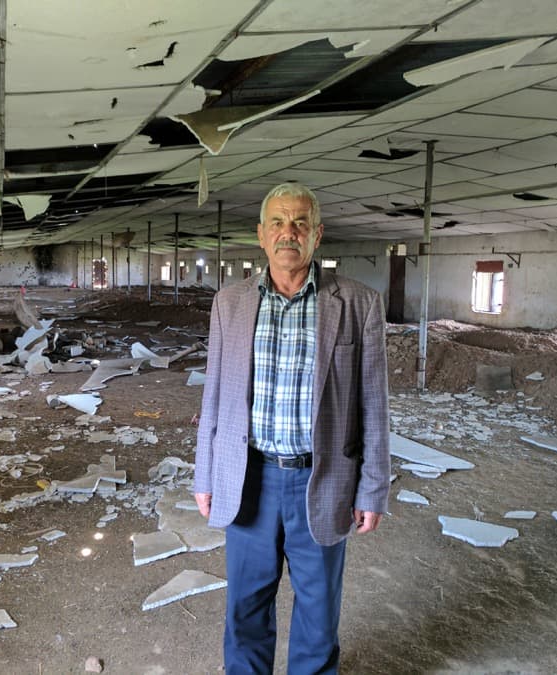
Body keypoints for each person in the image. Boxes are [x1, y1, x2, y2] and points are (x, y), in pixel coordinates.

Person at [194, 182, 391, 674]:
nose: (289, 233)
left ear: (317, 235)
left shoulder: (359, 304)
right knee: (245, 611)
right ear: (261, 234)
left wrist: (373, 489)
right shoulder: (229, 303)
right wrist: (205, 474)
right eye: (278, 223)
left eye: (301, 223)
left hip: (321, 481)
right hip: (249, 478)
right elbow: (214, 394)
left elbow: (374, 403)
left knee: (318, 616)